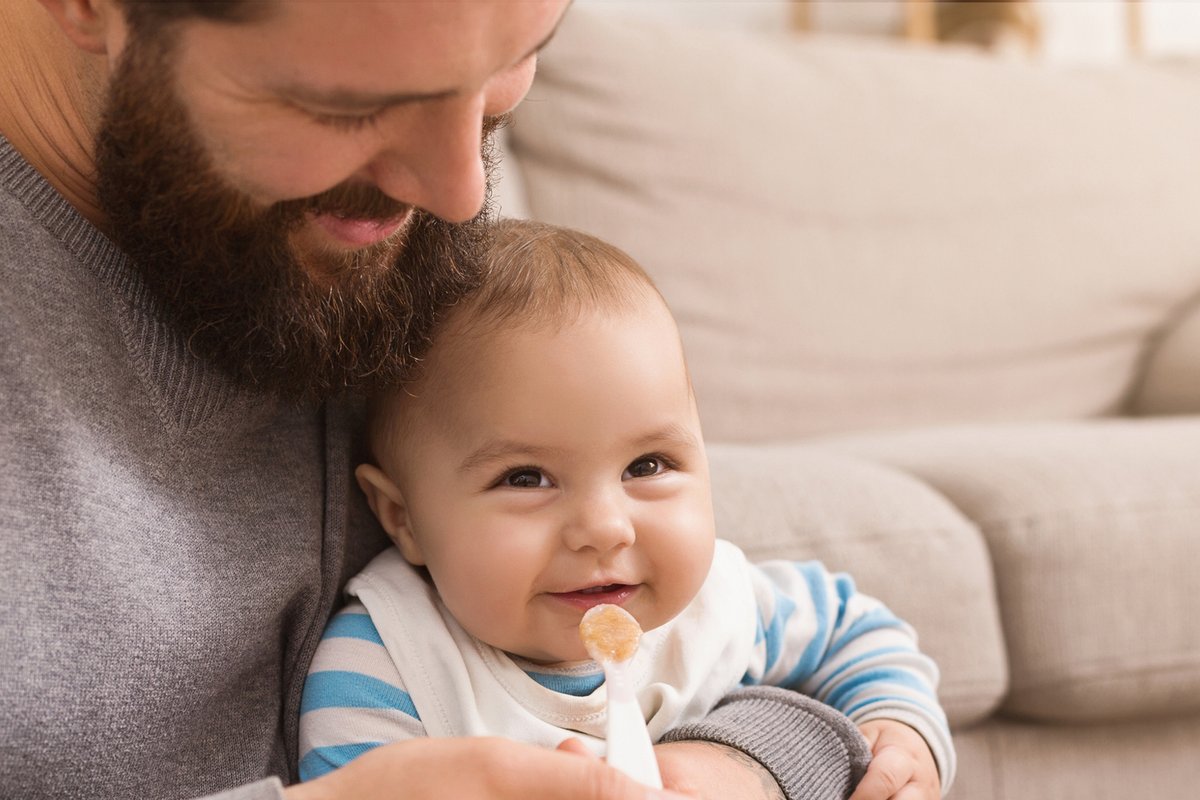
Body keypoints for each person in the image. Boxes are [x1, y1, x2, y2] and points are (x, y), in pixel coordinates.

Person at [0, 1, 907, 799]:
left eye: (507, 71)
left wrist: (747, 761)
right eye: (351, 103)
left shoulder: (393, 241)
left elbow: (738, 649)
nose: (461, 193)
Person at [302, 221, 956, 800]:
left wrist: (900, 730)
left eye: (648, 466)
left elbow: (853, 631)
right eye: (527, 478)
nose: (606, 529)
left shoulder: (718, 607)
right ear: (403, 518)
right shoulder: (388, 665)